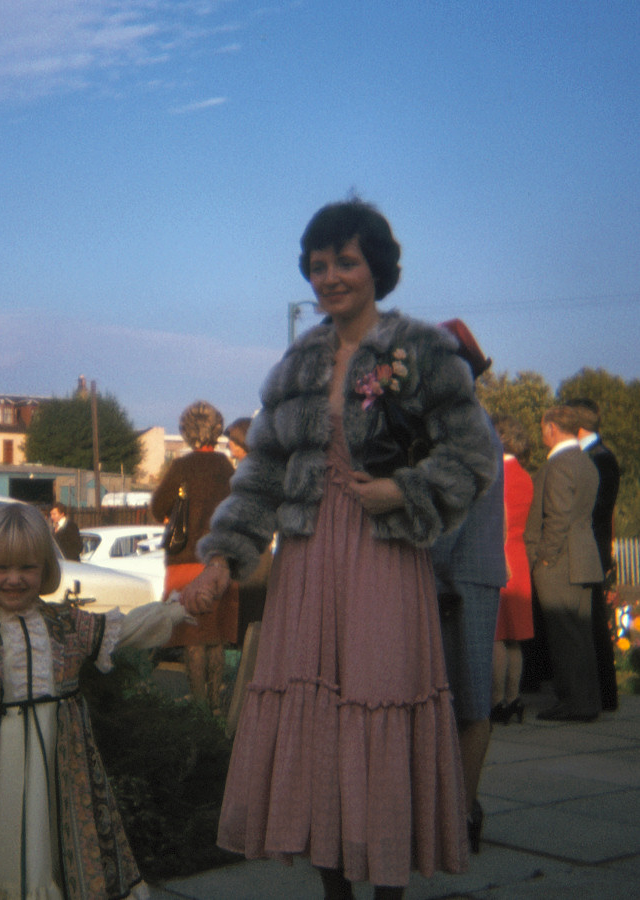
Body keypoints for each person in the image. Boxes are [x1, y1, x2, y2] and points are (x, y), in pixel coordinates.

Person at [183, 200, 497, 899]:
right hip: (306, 561)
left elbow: (474, 459)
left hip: (384, 557)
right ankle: (334, 890)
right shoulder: (297, 362)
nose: (329, 277)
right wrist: (222, 559)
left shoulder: (422, 351)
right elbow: (261, 471)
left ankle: (387, 885)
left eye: (345, 262)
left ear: (376, 267)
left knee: (381, 704)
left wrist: (405, 490)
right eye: (318, 265)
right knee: (317, 721)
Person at [0, 502, 190, 900]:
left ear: (45, 569)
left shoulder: (65, 623)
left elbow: (126, 629)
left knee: (53, 843)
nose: (14, 579)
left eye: (27, 568)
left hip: (60, 762)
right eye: (1, 568)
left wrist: (179, 609)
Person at [430, 319, 506, 856]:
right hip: (467, 576)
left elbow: (448, 516)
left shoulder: (464, 426)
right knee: (464, 699)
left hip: (461, 579)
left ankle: (460, 815)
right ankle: (459, 812)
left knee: (469, 702)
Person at [150, 401, 238, 713]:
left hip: (185, 561)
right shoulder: (226, 468)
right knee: (216, 637)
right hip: (220, 562)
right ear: (217, 429)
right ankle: (216, 705)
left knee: (192, 638)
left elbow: (158, 508)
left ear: (187, 432)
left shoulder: (181, 467)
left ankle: (198, 708)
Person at [526, 406, 603, 722]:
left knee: (564, 636)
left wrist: (545, 556)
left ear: (552, 428)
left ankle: (574, 703)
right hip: (583, 558)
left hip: (560, 561)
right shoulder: (586, 462)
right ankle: (587, 700)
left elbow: (557, 517)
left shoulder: (558, 465)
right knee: (580, 635)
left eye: (543, 427)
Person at [566, 397, 621, 711]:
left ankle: (604, 693)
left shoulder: (601, 458)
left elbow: (598, 509)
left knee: (594, 622)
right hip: (588, 545)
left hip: (591, 548)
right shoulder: (594, 455)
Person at [222, 416, 273, 737]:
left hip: (253, 558)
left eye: (232, 441)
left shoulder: (252, 473)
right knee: (249, 629)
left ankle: (243, 705)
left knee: (250, 628)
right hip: (254, 556)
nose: (229, 446)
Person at [489, 415, 535, 725]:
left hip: (498, 555)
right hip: (519, 556)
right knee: (515, 638)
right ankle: (514, 697)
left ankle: (497, 702)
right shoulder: (526, 477)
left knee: (496, 635)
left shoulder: (495, 475)